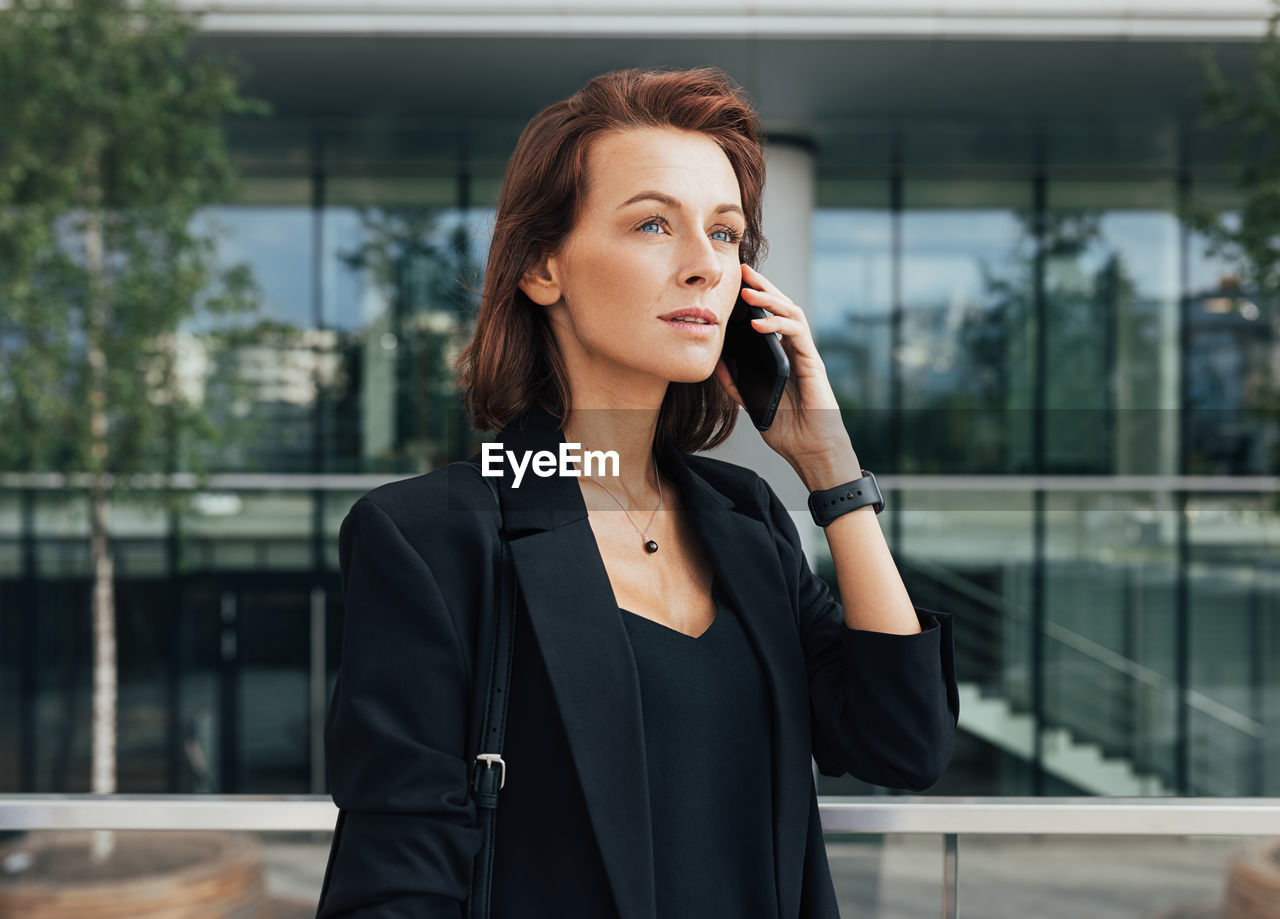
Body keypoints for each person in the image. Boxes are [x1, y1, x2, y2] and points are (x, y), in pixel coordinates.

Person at [313, 65, 959, 919]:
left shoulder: (746, 521)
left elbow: (905, 742)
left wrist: (832, 472)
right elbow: (396, 885)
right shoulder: (429, 536)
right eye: (654, 223)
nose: (704, 267)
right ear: (543, 267)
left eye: (726, 235)